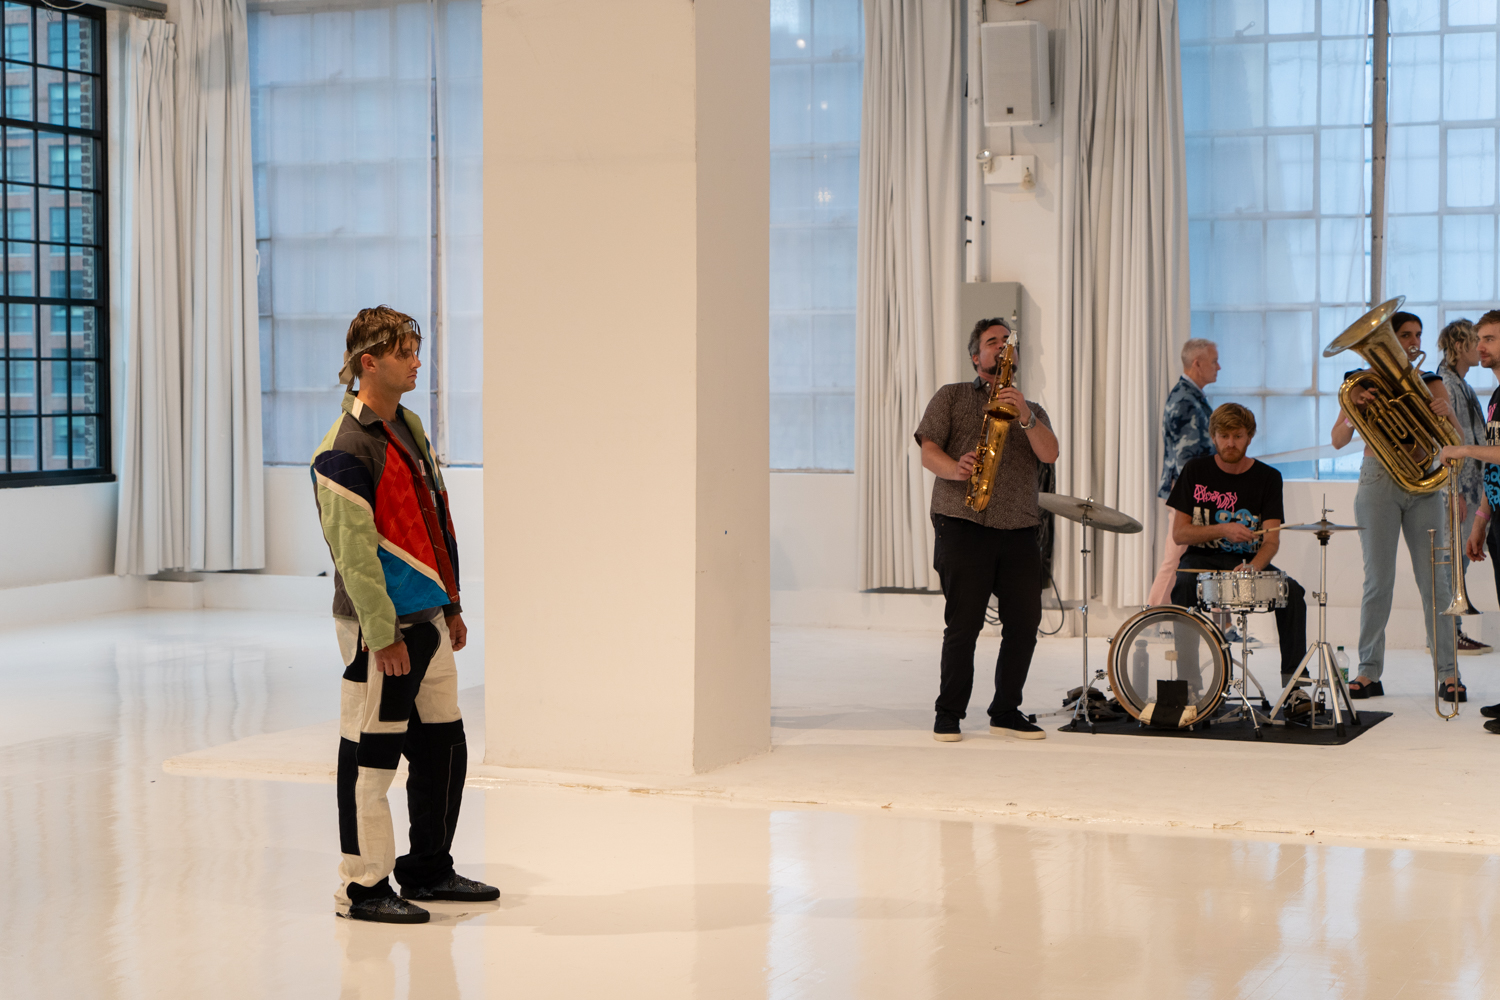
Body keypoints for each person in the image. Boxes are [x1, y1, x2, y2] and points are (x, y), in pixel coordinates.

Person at [312, 306, 499, 923]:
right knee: (372, 755)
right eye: (406, 352)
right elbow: (355, 558)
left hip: (430, 619)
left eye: (417, 350)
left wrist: (452, 604)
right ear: (370, 362)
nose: (418, 361)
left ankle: (428, 869)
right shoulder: (343, 450)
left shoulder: (409, 427)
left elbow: (432, 525)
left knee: (445, 745)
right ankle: (363, 887)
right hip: (383, 630)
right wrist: (383, 633)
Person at [915, 318, 1060, 742]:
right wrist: (955, 469)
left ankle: (1005, 710)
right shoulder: (953, 396)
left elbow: (1050, 454)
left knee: (1024, 623)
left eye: (1005, 342)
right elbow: (928, 451)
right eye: (990, 341)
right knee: (964, 624)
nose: (999, 347)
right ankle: (949, 713)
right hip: (963, 522)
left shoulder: (1032, 408)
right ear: (975, 356)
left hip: (1018, 527)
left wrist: (1027, 415)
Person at [1332, 311, 1463, 700]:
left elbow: (1456, 440)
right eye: (1405, 334)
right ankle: (1368, 671)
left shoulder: (1431, 382)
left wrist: (1448, 412)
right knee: (1378, 582)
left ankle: (1448, 674)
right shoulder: (1359, 383)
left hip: (1423, 481)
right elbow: (1337, 440)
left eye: (1417, 335)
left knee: (1435, 583)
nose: (1412, 342)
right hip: (1378, 480)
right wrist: (1354, 410)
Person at [1167, 404, 1309, 706]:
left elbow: (1271, 541)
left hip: (1247, 563)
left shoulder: (1269, 478)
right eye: (1224, 435)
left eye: (1238, 436)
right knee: (1181, 587)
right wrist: (1223, 529)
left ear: (1250, 437)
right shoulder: (1195, 470)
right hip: (1200, 561)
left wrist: (1254, 568)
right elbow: (1180, 533)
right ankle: (1189, 682)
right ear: (1213, 437)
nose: (1230, 443)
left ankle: (1295, 686)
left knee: (1293, 593)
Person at [1445, 310, 1500, 730]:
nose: (1481, 346)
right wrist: (1481, 519)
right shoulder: (1498, 395)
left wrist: (1463, 450)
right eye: (1480, 338)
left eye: (1491, 339)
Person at [1148, 338, 1219, 607]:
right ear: (1197, 364)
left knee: (1200, 559)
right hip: (1188, 495)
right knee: (1175, 559)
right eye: (1214, 361)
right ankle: (1153, 617)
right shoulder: (1184, 400)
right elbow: (1187, 460)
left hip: (1194, 493)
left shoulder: (1191, 396)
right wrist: (1195, 500)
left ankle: (1221, 626)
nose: (1219, 367)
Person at [1436, 318, 1492, 655]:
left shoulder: (1462, 383)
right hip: (1457, 488)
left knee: (1460, 562)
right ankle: (1448, 633)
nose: (1481, 348)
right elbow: (1445, 441)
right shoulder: (1446, 382)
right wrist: (1452, 491)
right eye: (1477, 341)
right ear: (1461, 346)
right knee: (1450, 563)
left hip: (1472, 486)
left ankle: (1453, 630)